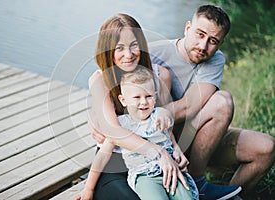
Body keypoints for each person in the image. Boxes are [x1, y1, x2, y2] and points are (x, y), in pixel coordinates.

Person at [146, 4, 275, 199]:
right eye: (200, 34)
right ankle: (197, 184)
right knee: (222, 101)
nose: (203, 46)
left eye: (212, 41)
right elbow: (110, 74)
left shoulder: (215, 59)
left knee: (266, 148)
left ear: (221, 43)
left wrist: (155, 112)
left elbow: (189, 106)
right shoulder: (155, 53)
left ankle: (217, 192)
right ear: (187, 28)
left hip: (199, 139)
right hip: (163, 141)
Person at [86, 13, 193, 200]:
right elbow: (113, 132)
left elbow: (162, 121)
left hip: (155, 160)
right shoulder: (100, 81)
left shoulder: (161, 76)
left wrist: (174, 149)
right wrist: (159, 152)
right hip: (115, 160)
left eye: (134, 45)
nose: (128, 54)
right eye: (119, 48)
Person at [75, 68, 198, 200]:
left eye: (148, 96)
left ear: (155, 97)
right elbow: (101, 157)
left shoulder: (158, 116)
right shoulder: (121, 126)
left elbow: (167, 126)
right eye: (137, 97)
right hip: (145, 177)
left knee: (186, 197)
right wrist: (89, 188)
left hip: (171, 169)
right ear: (123, 100)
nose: (144, 102)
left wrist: (165, 113)